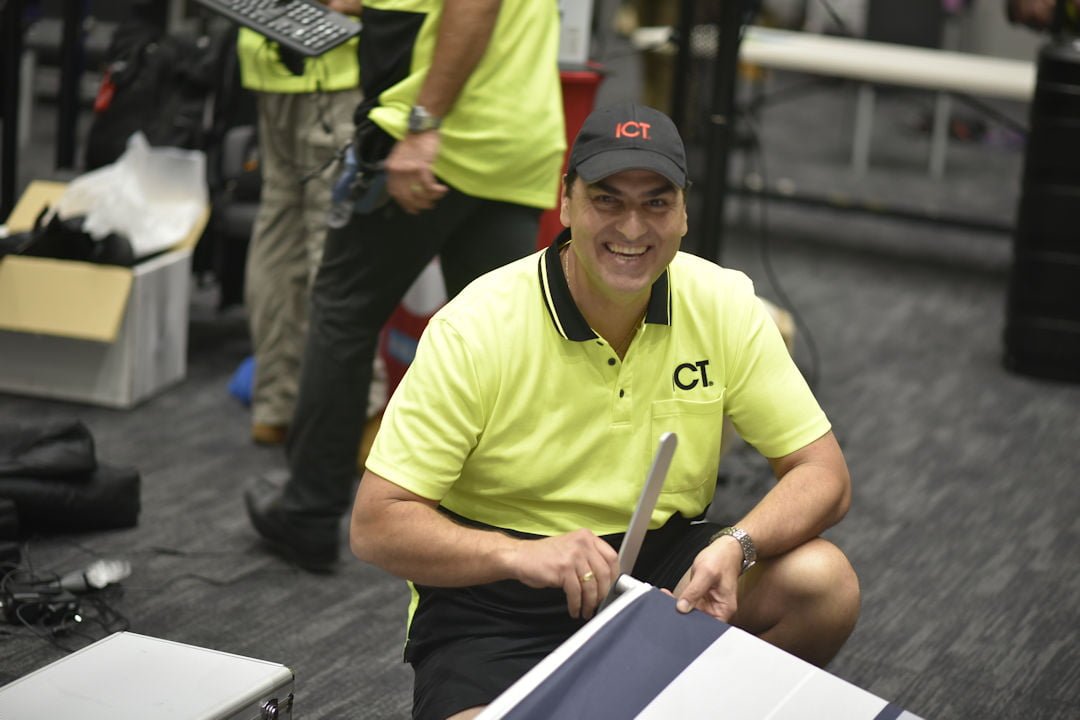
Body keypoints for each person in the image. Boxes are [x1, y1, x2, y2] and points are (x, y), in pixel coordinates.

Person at [349, 102, 861, 720]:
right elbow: (375, 524)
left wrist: (736, 545)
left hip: (660, 573)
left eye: (656, 202)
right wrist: (518, 555)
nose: (632, 227)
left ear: (683, 213)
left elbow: (824, 474)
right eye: (607, 199)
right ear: (566, 203)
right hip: (496, 597)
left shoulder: (724, 302)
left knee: (823, 585)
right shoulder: (476, 326)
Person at [244, 0, 566, 569]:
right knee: (502, 347)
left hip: (439, 138)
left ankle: (308, 511)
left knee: (343, 313)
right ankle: (510, 528)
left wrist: (422, 124)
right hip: (514, 138)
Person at [236, 2, 362, 445]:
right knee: (333, 241)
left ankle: (276, 405)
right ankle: (354, 417)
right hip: (327, 63)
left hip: (270, 56)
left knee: (279, 225)